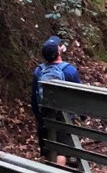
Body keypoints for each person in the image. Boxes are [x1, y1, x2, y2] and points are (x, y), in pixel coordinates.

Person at [31, 36, 81, 166]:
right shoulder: (69, 70)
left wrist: (39, 117)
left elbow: (34, 98)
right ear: (58, 52)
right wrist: (82, 115)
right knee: (61, 152)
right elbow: (80, 96)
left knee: (49, 150)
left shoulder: (38, 71)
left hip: (45, 116)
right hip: (64, 118)